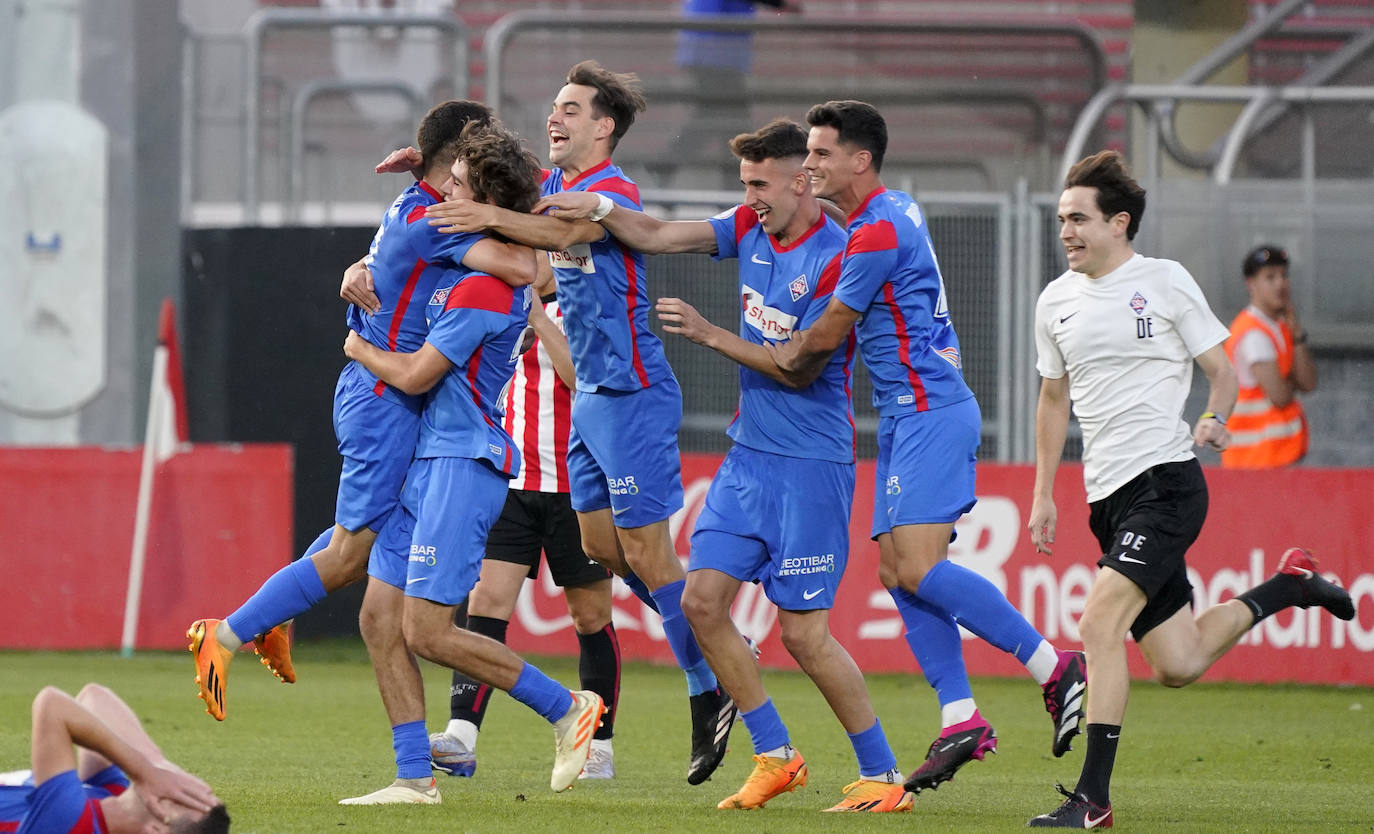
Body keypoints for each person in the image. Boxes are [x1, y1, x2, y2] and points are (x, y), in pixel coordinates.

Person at [535, 118, 912, 812]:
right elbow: (656, 235)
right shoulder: (749, 227)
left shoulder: (840, 255)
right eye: (745, 185)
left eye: (760, 184)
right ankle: (776, 754)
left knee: (803, 634)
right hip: (748, 459)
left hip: (812, 465)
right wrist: (603, 208)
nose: (750, 197)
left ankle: (884, 776)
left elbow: (798, 366)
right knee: (703, 603)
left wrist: (709, 333)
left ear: (802, 180)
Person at [424, 60, 737, 786]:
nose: (554, 118)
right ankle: (705, 643)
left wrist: (491, 217)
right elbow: (510, 189)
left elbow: (551, 226)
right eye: (553, 106)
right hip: (590, 399)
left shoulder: (608, 194)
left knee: (651, 561)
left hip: (630, 391)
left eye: (571, 109)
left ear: (605, 127)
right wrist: (436, 168)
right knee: (608, 548)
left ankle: (709, 686)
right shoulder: (557, 188)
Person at [1025, 150, 1355, 828]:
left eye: (1079, 219)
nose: (1067, 232)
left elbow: (1221, 368)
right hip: (1106, 500)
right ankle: (1288, 587)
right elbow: (1052, 399)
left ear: (1119, 223)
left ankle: (1092, 799)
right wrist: (1043, 493)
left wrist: (1214, 416)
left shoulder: (1165, 282)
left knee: (1097, 624)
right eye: (1061, 220)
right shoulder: (1054, 301)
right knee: (1179, 661)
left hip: (1168, 484)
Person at [769, 100, 1087, 795]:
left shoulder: (877, 230)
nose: (810, 164)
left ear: (860, 160)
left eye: (821, 153)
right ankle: (961, 716)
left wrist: (750, 350)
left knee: (915, 564)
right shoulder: (894, 210)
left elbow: (826, 337)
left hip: (930, 411)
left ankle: (1053, 666)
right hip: (912, 415)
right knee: (896, 570)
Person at [187, 100, 536, 722]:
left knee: (366, 541)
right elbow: (525, 265)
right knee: (351, 552)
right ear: (455, 156)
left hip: (388, 396)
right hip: (384, 396)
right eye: (474, 147)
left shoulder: (419, 204)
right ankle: (228, 634)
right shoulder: (435, 219)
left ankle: (274, 617)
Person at [339, 123, 604, 804]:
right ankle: (413, 777)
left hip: (463, 460)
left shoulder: (483, 288)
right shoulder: (469, 264)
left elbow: (417, 375)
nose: (442, 192)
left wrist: (358, 350)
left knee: (427, 630)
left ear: (480, 201)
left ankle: (567, 708)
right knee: (378, 617)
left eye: (454, 185)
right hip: (428, 462)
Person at [428, 266, 623, 782]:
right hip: (511, 481)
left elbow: (584, 380)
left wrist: (538, 315)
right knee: (486, 603)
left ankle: (597, 744)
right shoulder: (495, 302)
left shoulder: (584, 305)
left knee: (589, 617)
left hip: (575, 485)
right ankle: (461, 738)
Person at [0, 683, 226, 833]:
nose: (173, 784)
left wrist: (147, 770)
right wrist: (158, 764)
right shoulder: (111, 797)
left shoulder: (73, 823)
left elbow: (51, 704)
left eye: (180, 798)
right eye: (187, 785)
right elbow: (93, 697)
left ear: (155, 830)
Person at [1221, 244, 1317, 468]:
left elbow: (1309, 383)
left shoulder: (1280, 326)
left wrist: (1297, 335)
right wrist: (1292, 381)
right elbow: (1281, 396)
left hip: (1276, 456)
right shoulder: (1252, 334)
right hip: (1254, 462)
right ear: (1251, 284)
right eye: (1270, 277)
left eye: (1284, 276)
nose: (1280, 284)